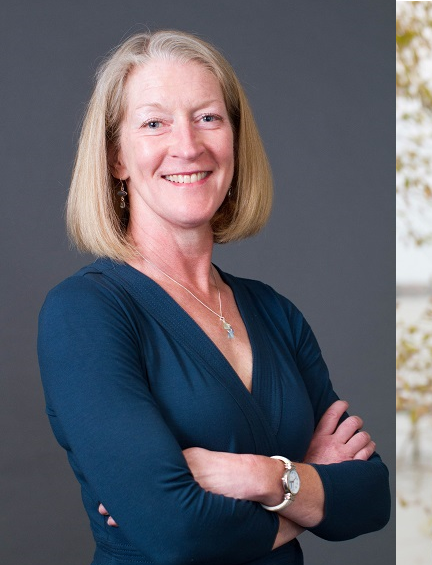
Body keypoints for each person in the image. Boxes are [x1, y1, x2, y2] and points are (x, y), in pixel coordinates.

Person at [37, 30, 389, 565]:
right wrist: (306, 485)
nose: (188, 145)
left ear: (234, 140)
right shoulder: (84, 313)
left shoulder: (274, 312)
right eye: (154, 123)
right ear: (116, 158)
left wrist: (259, 476)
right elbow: (178, 533)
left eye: (208, 118)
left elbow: (370, 499)